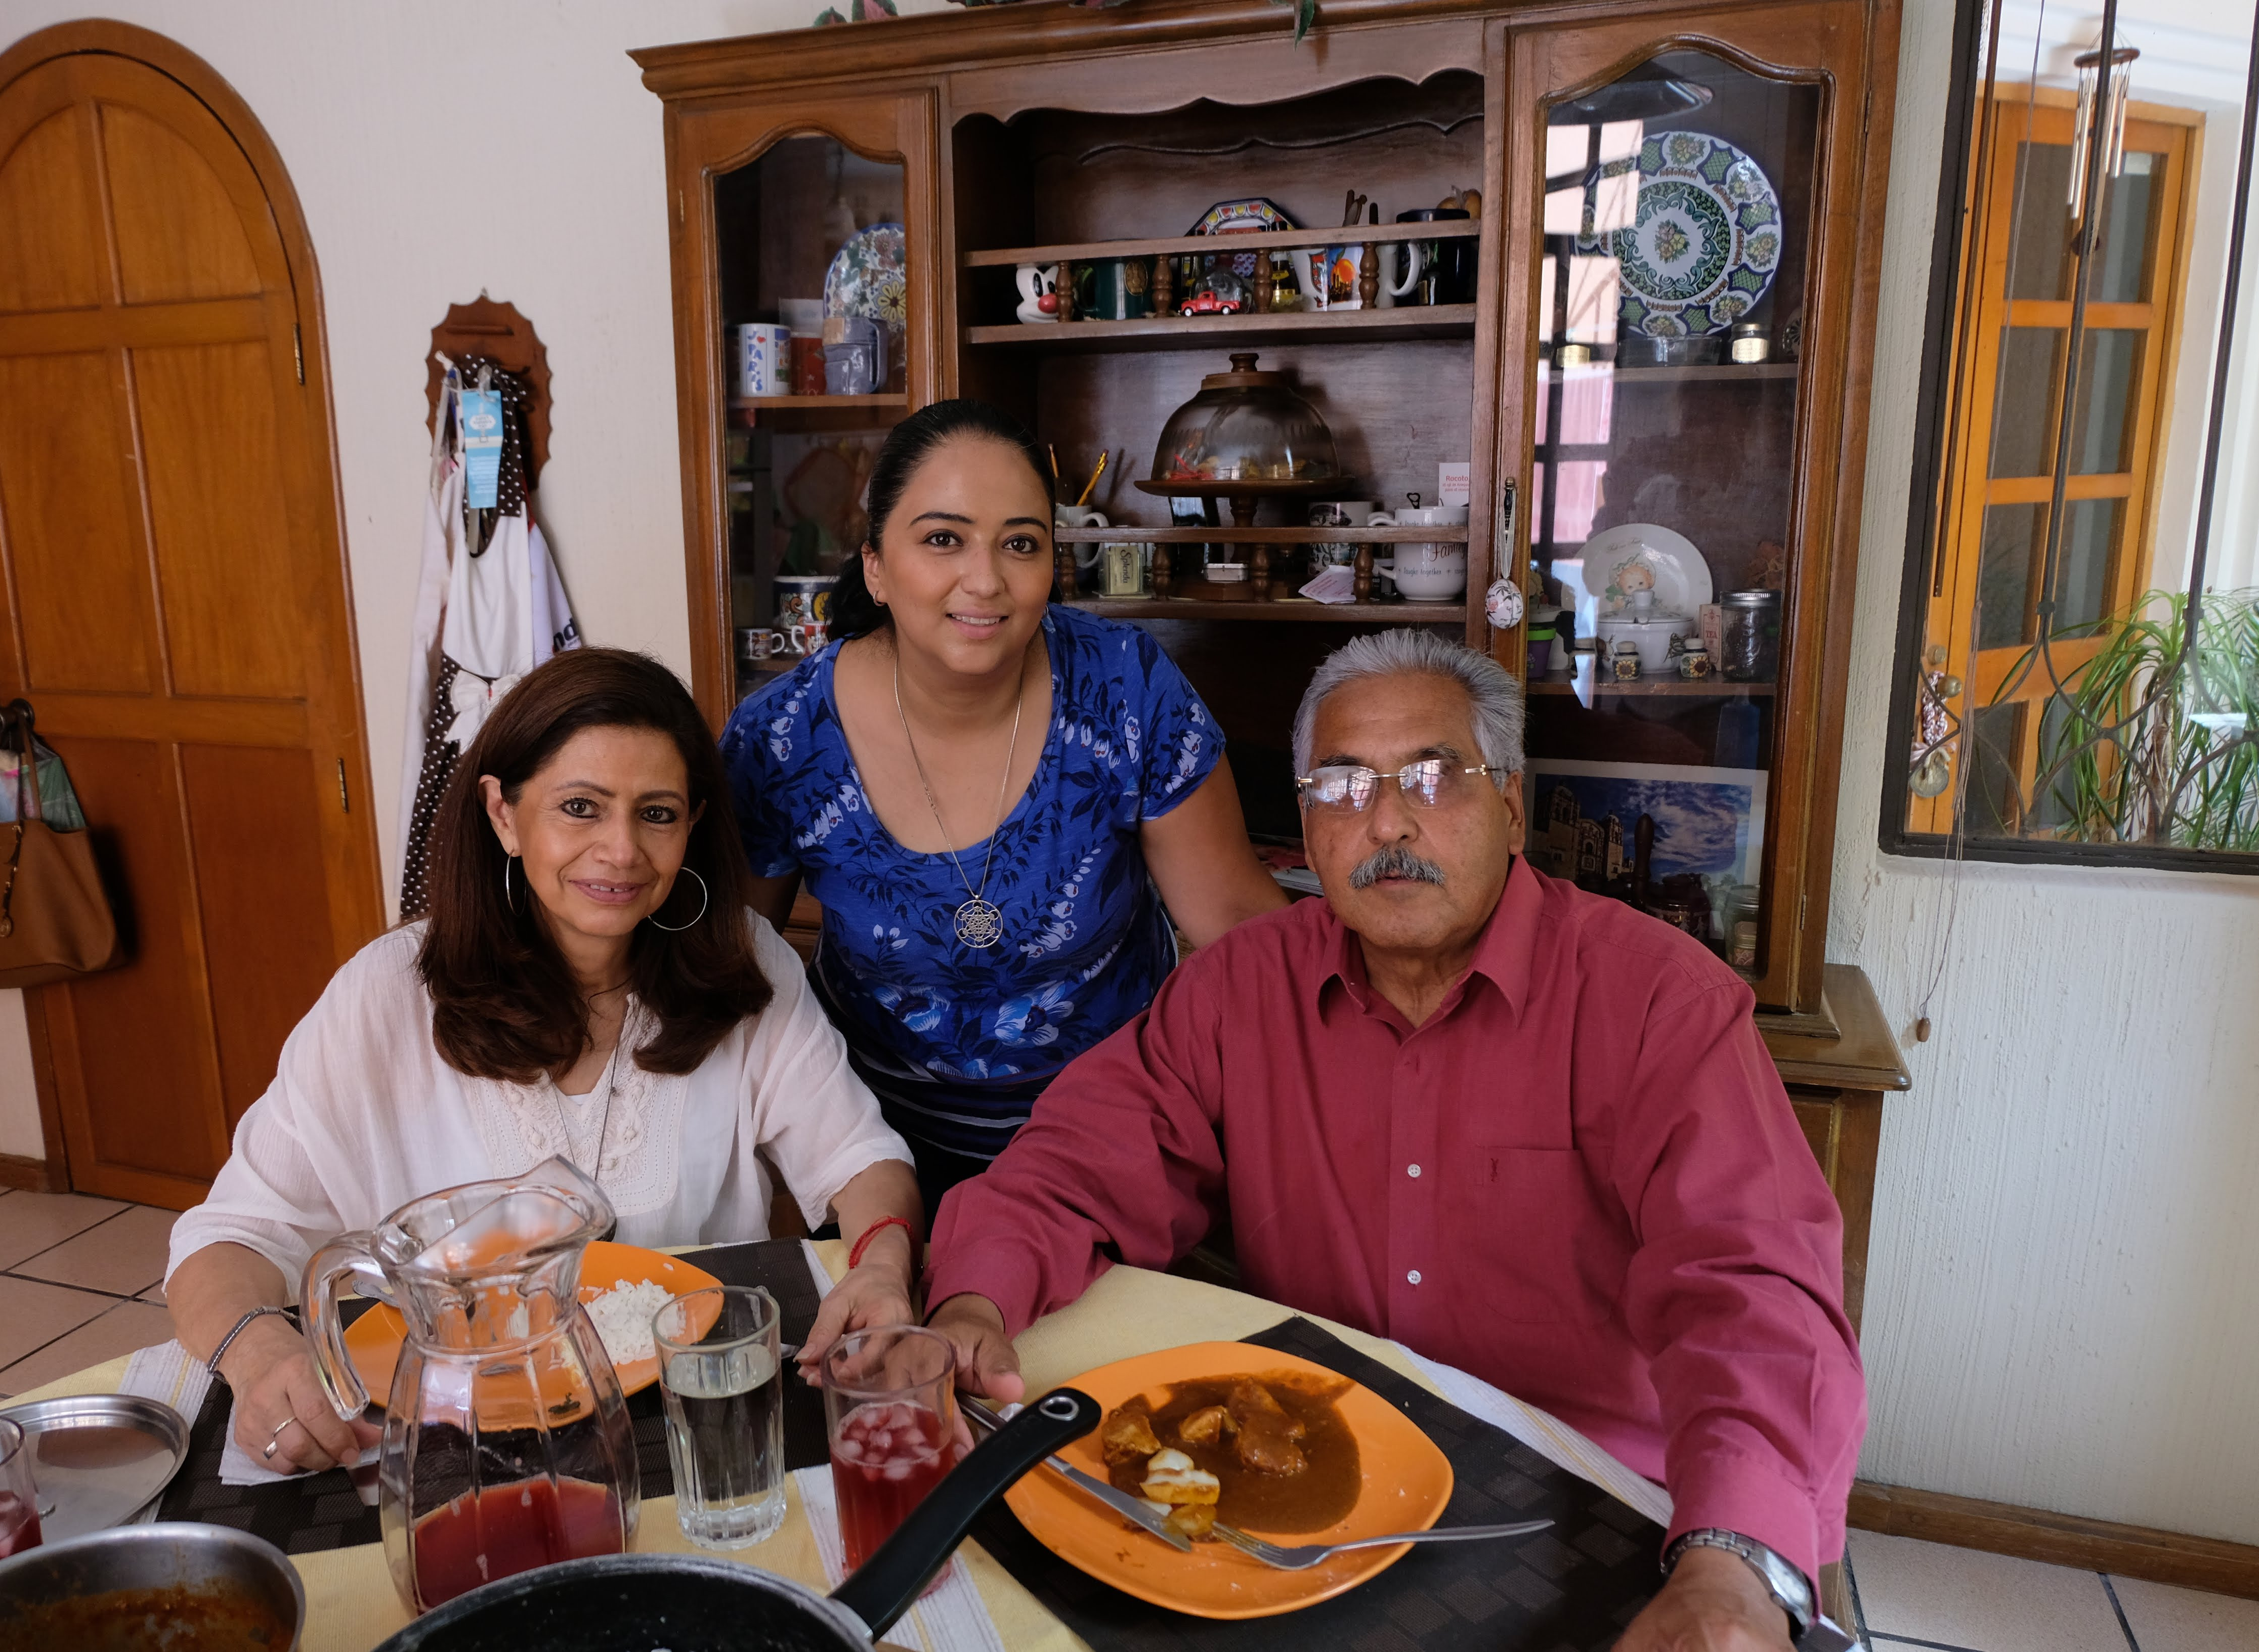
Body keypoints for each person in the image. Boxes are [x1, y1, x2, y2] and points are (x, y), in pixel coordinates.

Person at [924, 629, 1864, 1652]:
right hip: (1318, 1498)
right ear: (1303, 820)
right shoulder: (1243, 987)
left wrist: (1731, 1562)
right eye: (1339, 784)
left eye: (1431, 775)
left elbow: (1753, 1286)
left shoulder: (1653, 1000)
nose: (1384, 821)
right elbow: (1078, 1162)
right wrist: (972, 1296)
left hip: (1588, 1498)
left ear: (1510, 803)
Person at [168, 649, 920, 1476]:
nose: (622, 850)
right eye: (580, 807)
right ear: (501, 813)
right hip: (457, 1445)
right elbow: (228, 1237)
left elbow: (861, 1159)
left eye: (657, 813)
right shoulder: (383, 997)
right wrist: (259, 1351)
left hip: (692, 1425)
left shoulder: (747, 964)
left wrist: (883, 1262)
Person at [721, 400, 1287, 1212]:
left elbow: (1237, 923)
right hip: (878, 1160)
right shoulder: (783, 737)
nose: (985, 580)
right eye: (942, 539)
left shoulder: (1122, 686)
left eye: (1020, 543)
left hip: (1115, 1140)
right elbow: (730, 960)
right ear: (875, 564)